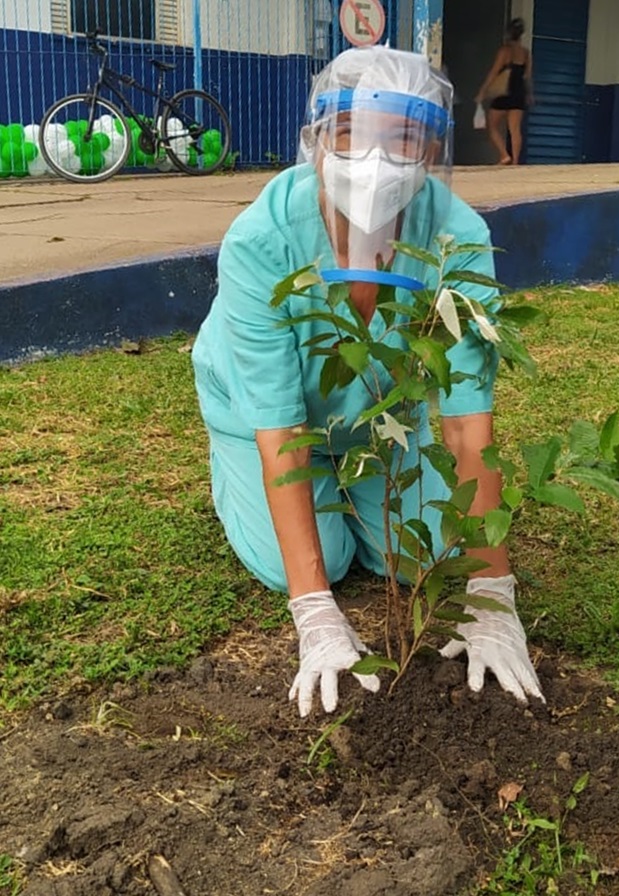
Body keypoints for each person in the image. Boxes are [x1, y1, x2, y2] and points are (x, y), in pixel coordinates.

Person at [191, 45, 543, 717]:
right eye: (352, 135)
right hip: (264, 418)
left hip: (378, 417)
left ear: (433, 150)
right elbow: (282, 429)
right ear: (317, 141)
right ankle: (230, 468)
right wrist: (316, 614)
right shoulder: (262, 240)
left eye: (404, 139)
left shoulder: (455, 238)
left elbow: (468, 420)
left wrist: (492, 595)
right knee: (302, 558)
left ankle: (360, 475)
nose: (376, 163)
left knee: (437, 555)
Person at [475, 17, 533, 165]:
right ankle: (515, 163)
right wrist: (530, 94)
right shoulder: (526, 53)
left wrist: (483, 91)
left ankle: (504, 155)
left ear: (508, 33)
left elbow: (493, 73)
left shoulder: (505, 51)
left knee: (492, 126)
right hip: (519, 93)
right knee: (515, 129)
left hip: (504, 94)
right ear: (521, 34)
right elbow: (527, 77)